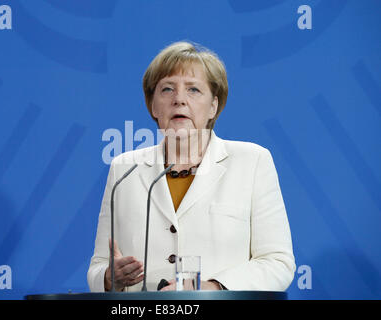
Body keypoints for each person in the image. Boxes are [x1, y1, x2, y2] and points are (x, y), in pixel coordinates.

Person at [87, 41, 295, 292]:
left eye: (193, 90)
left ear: (213, 106)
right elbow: (98, 267)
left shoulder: (251, 162)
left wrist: (213, 287)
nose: (179, 100)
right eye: (167, 89)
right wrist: (110, 278)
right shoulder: (125, 169)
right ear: (153, 106)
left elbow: (278, 263)